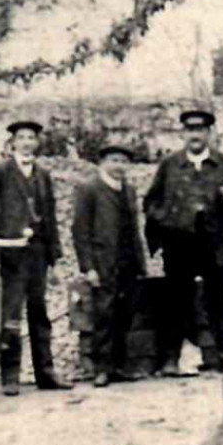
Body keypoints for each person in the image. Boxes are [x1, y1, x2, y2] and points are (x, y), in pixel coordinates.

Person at [143, 109, 223, 374]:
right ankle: (171, 359)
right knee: (176, 303)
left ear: (209, 133)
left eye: (201, 130)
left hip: (215, 245)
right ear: (183, 134)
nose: (195, 135)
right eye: (190, 130)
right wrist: (169, 220)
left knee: (219, 303)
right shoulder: (169, 165)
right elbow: (150, 202)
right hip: (179, 246)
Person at [0, 119, 63, 396]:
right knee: (11, 314)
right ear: (13, 143)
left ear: (37, 142)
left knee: (39, 312)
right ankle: (10, 376)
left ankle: (46, 374)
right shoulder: (3, 170)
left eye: (32, 138)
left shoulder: (43, 174)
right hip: (12, 250)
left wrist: (54, 257)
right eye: (22, 138)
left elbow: (51, 217)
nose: (27, 142)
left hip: (38, 252)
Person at [70, 143, 146, 388]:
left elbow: (134, 230)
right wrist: (88, 267)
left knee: (126, 313)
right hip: (103, 263)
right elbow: (80, 230)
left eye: (123, 162)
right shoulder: (89, 189)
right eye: (114, 161)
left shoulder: (129, 190)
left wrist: (141, 263)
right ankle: (101, 368)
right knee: (104, 314)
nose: (119, 166)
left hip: (128, 263)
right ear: (102, 163)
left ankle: (119, 366)